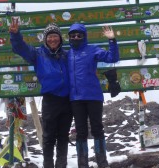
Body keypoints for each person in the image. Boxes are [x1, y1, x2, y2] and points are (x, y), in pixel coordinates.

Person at [9, 21, 72, 168]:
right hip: (50, 100)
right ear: (45, 39)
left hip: (68, 100)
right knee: (49, 137)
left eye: (55, 36)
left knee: (63, 136)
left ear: (60, 39)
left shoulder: (67, 55)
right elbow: (20, 48)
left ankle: (61, 165)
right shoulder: (38, 54)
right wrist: (15, 35)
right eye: (49, 36)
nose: (52, 39)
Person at [67, 23, 119, 168]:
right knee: (81, 133)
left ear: (84, 36)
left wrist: (112, 40)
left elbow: (113, 58)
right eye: (73, 35)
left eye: (79, 35)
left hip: (93, 96)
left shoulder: (92, 49)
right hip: (76, 99)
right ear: (69, 37)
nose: (76, 37)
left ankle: (102, 163)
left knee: (97, 129)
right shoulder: (66, 53)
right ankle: (82, 164)